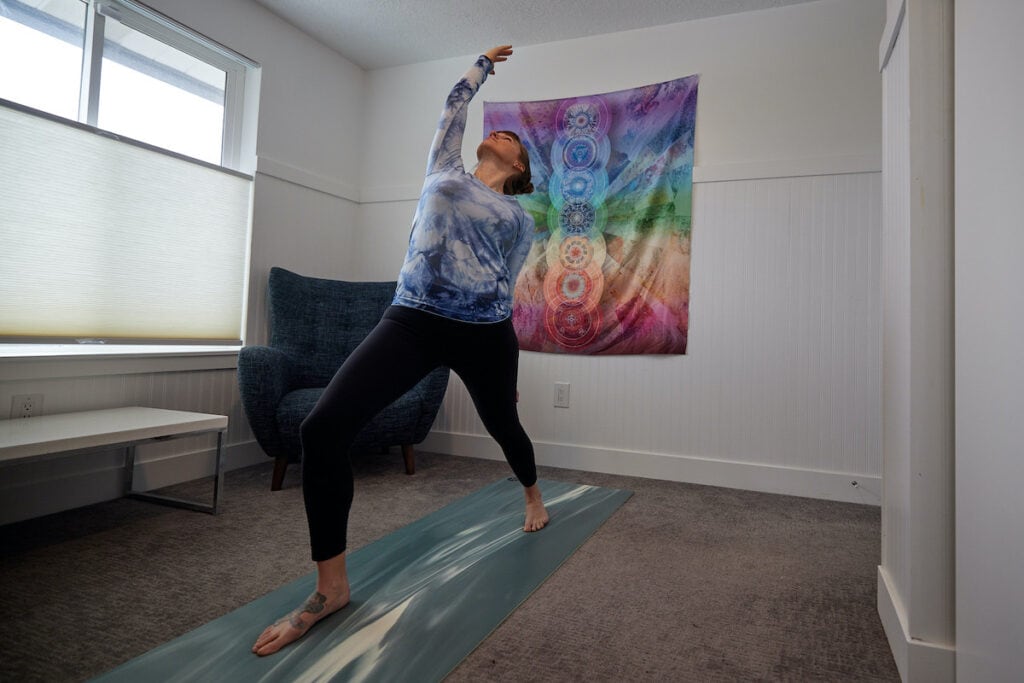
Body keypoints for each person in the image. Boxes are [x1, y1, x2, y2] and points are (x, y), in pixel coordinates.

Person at [253, 45, 548, 657]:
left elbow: (509, 283)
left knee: (504, 424)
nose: (499, 133)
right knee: (322, 429)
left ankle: (531, 492)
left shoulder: (519, 217)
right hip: (412, 318)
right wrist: (480, 65)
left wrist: (504, 360)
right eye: (496, 129)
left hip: (485, 329)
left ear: (519, 167)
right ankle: (329, 588)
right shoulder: (444, 167)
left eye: (511, 138)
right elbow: (454, 106)